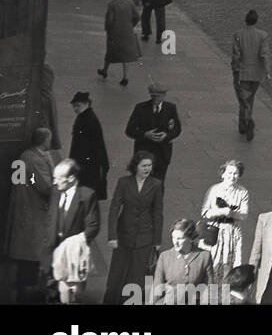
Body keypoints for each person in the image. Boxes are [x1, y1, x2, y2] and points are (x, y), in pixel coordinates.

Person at [4, 127, 60, 303]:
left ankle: (24, 286)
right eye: (49, 140)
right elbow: (45, 187)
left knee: (24, 256)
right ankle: (31, 291)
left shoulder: (25, 155)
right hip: (34, 212)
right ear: (45, 141)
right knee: (33, 253)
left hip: (23, 210)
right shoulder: (36, 160)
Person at [104, 151, 163, 304]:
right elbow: (114, 209)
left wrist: (157, 241)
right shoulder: (123, 182)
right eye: (144, 165)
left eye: (149, 166)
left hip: (145, 237)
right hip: (123, 236)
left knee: (138, 276)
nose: (147, 169)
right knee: (117, 274)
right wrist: (112, 236)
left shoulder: (156, 184)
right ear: (135, 166)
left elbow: (158, 213)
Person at [47, 158, 100, 305]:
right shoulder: (55, 193)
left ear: (71, 178)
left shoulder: (87, 195)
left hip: (74, 253)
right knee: (58, 291)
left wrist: (74, 242)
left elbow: (93, 226)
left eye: (58, 178)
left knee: (72, 291)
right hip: (54, 251)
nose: (54, 182)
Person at [200, 159, 250, 278]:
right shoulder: (214, 189)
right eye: (229, 173)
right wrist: (220, 211)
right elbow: (204, 212)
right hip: (213, 229)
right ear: (223, 174)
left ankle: (225, 292)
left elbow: (244, 214)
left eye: (235, 173)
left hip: (231, 231)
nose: (232, 176)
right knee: (211, 263)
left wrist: (231, 213)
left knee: (229, 264)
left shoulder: (243, 192)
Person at [123, 84, 182, 181]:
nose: (155, 99)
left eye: (158, 96)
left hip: (162, 153)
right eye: (153, 96)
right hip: (144, 151)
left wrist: (166, 136)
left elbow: (177, 129)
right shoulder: (140, 108)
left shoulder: (170, 108)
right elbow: (129, 130)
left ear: (163, 95)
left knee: (159, 183)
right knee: (142, 182)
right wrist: (145, 134)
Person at [151, 219, 214, 304]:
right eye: (173, 237)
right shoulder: (165, 257)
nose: (175, 242)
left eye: (180, 239)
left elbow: (209, 289)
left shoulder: (204, 256)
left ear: (190, 239)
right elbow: (157, 288)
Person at [231, 8, 270, 141]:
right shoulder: (263, 35)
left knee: (243, 99)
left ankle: (245, 123)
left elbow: (236, 55)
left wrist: (235, 68)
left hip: (242, 71)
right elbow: (264, 54)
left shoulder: (238, 34)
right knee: (250, 97)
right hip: (257, 72)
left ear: (246, 20)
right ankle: (247, 120)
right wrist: (267, 70)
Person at [98, 0, 141, 86]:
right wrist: (132, 25)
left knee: (110, 52)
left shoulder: (112, 4)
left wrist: (108, 29)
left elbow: (109, 20)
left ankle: (105, 70)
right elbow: (137, 16)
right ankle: (125, 77)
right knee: (126, 55)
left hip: (115, 31)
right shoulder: (130, 2)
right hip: (127, 31)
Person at [68, 91, 109, 199]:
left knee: (86, 191)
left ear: (87, 104)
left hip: (87, 163)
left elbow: (93, 144)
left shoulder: (88, 120)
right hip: (87, 162)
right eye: (74, 106)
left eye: (78, 105)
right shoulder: (85, 117)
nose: (75, 108)